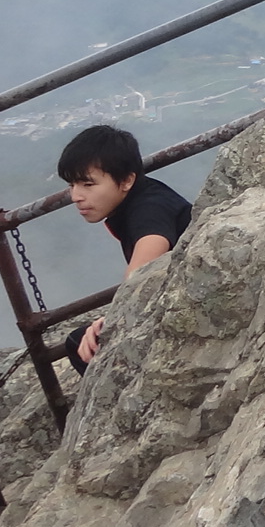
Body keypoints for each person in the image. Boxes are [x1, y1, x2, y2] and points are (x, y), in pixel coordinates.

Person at [56, 125, 192, 373]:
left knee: (84, 344)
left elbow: (142, 271)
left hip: (188, 311)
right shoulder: (147, 195)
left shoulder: (149, 209)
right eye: (72, 184)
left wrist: (112, 320)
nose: (76, 196)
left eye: (88, 184)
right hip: (182, 301)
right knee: (80, 341)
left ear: (127, 180)